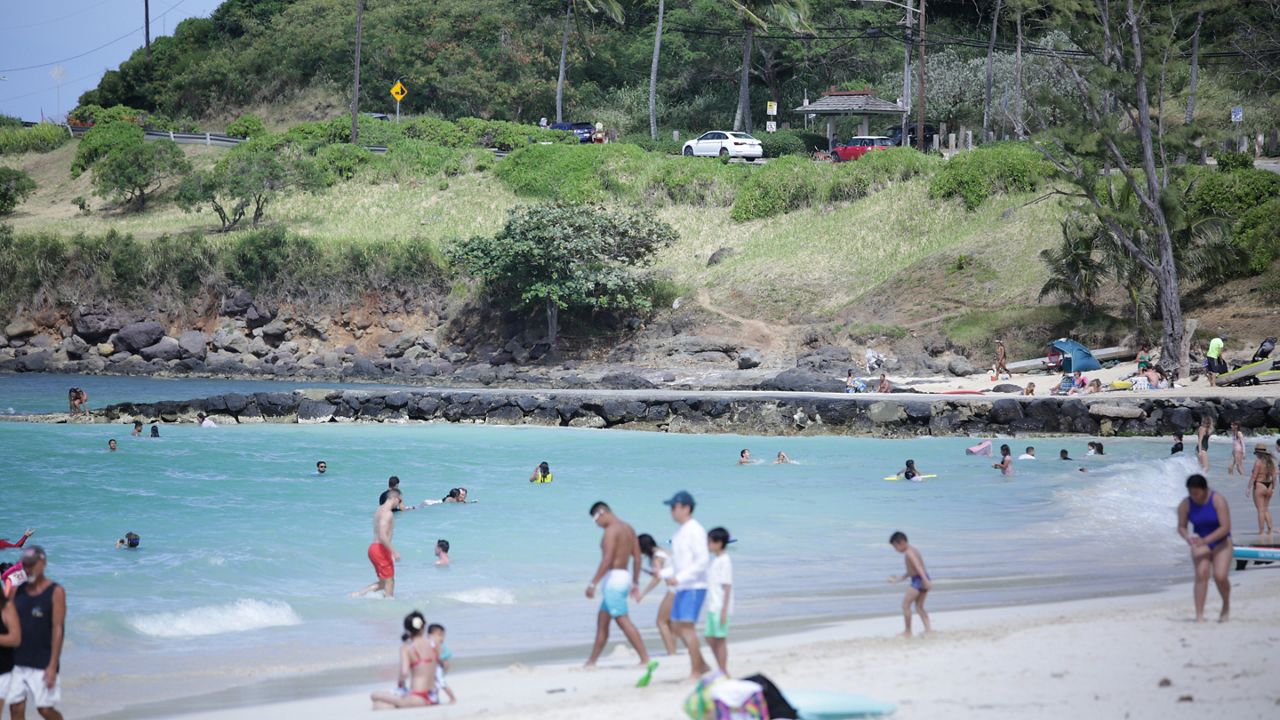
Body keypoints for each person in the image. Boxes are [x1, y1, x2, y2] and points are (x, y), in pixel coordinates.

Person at [583, 502, 655, 684]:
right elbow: (637, 558)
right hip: (624, 577)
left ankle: (646, 659)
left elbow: (607, 559)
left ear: (602, 513)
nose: (596, 524)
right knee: (602, 620)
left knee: (623, 621)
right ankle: (591, 661)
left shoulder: (610, 532)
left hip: (613, 580)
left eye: (595, 519)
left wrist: (593, 583)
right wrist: (635, 582)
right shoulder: (629, 528)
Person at [6, 546, 66, 720]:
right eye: (26, 564)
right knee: (16, 708)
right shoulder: (17, 591)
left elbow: (58, 628)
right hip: (17, 659)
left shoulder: (55, 592)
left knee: (44, 710)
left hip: (43, 659)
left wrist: (53, 665)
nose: (29, 568)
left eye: (33, 564)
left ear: (44, 563)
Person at [664, 490, 710, 680]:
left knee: (686, 628)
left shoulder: (695, 530)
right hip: (683, 586)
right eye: (671, 507)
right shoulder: (679, 532)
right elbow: (677, 563)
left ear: (686, 508)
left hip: (695, 585)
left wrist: (681, 577)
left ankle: (696, 670)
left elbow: (702, 561)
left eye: (674, 507)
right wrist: (663, 574)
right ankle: (703, 665)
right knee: (675, 626)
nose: (671, 511)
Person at [1177, 474, 1232, 622]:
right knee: (1202, 573)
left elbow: (1225, 527)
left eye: (1196, 493)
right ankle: (1199, 615)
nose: (1193, 496)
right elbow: (1181, 527)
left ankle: (1226, 605)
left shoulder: (1217, 500)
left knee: (1220, 576)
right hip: (1200, 542)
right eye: (1190, 493)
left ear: (1204, 489)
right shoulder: (1186, 504)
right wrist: (1187, 536)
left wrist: (1206, 540)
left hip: (1221, 541)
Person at [370, 611, 439, 709]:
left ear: (407, 629)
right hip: (433, 696)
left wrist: (400, 685)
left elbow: (404, 672)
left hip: (418, 696)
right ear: (423, 626)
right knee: (380, 705)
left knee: (375, 695)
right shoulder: (434, 644)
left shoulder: (407, 648)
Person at [353, 490, 401, 599]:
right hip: (380, 548)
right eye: (400, 499)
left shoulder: (378, 510)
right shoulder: (387, 513)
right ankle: (388, 606)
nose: (399, 502)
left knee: (384, 582)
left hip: (374, 548)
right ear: (394, 498)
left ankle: (357, 595)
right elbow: (382, 535)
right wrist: (394, 551)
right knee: (389, 581)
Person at [636, 533, 677, 656]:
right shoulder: (663, 551)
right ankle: (673, 650)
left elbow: (657, 579)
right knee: (670, 622)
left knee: (661, 622)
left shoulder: (656, 557)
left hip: (674, 589)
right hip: (681, 586)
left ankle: (671, 652)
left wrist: (642, 594)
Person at [888, 531, 931, 637]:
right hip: (921, 578)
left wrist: (925, 580)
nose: (895, 550)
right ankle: (928, 630)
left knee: (905, 605)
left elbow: (918, 567)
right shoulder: (913, 550)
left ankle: (908, 631)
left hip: (919, 580)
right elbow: (913, 570)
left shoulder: (909, 553)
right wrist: (900, 578)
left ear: (901, 542)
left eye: (895, 546)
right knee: (919, 607)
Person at [704, 527, 734, 674]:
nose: (707, 544)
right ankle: (721, 669)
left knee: (720, 640)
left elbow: (727, 587)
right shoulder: (716, 560)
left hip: (720, 606)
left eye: (709, 542)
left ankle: (723, 670)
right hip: (713, 605)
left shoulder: (725, 561)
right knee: (709, 637)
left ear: (719, 543)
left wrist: (724, 610)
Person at [1247, 444, 1276, 535]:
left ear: (1258, 453)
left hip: (1260, 485)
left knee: (1260, 510)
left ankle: (1261, 531)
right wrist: (1273, 487)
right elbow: (1274, 476)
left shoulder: (1258, 462)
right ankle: (1270, 530)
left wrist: (1248, 488)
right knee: (1266, 509)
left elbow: (1254, 476)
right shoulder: (1270, 462)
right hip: (1269, 485)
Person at [427, 624, 456, 704]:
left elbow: (448, 653)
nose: (442, 638)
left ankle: (452, 698)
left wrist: (440, 657)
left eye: (443, 635)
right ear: (430, 636)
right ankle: (435, 699)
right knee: (433, 685)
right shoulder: (428, 644)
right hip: (430, 668)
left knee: (441, 683)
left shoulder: (441, 646)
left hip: (438, 668)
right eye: (439, 635)